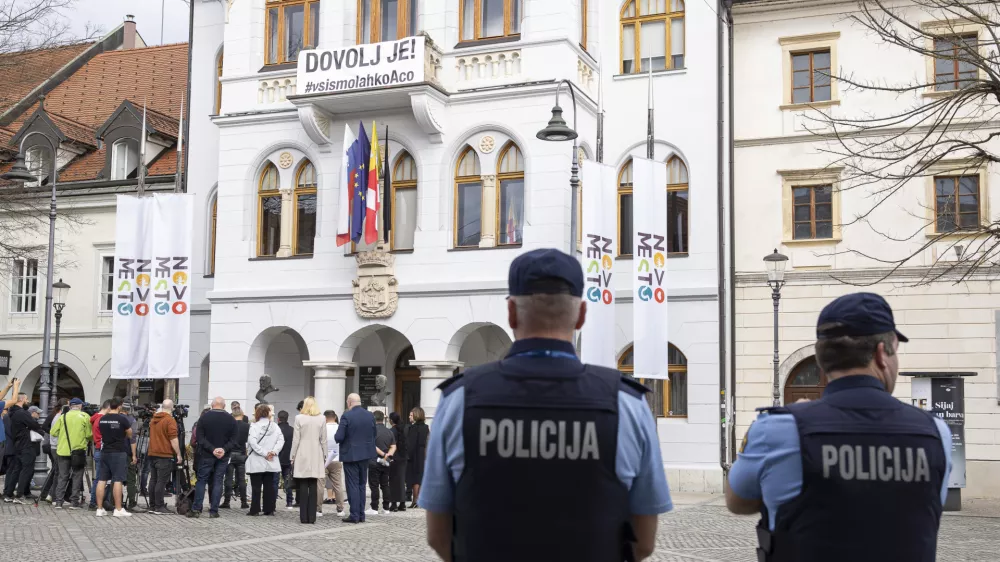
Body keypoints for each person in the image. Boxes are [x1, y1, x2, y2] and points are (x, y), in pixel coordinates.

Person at [420, 248, 673, 562]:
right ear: (581, 315)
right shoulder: (627, 404)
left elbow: (438, 535)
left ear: (511, 313)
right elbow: (644, 542)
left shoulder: (459, 399)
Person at [726, 292, 953, 562]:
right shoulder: (935, 433)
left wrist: (782, 422)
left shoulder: (781, 428)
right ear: (882, 354)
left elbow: (737, 501)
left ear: (823, 359)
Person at [189, 397, 238, 518]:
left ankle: (196, 509)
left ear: (212, 405)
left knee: (201, 480)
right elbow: (235, 439)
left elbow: (200, 438)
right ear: (224, 405)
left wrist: (212, 449)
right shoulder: (231, 419)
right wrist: (223, 449)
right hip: (223, 455)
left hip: (206, 454)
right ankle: (214, 510)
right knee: (218, 481)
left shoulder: (204, 418)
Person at [335, 393, 377, 524]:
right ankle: (361, 514)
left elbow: (339, 437)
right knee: (361, 485)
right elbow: (374, 434)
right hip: (365, 454)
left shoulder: (347, 415)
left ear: (349, 402)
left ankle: (354, 515)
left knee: (352, 484)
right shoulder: (370, 415)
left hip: (351, 455)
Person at [95, 398, 136, 517]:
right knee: (118, 479)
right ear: (119, 406)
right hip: (118, 452)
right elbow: (130, 434)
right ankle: (118, 509)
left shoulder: (102, 419)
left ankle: (99, 508)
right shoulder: (122, 419)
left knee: (101, 480)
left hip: (104, 451)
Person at [49, 398, 93, 509]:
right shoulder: (85, 417)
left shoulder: (62, 417)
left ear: (70, 406)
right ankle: (74, 502)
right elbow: (89, 435)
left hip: (63, 450)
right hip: (78, 451)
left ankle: (59, 501)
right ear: (80, 406)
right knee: (77, 476)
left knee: (62, 476)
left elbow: (53, 432)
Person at [2, 394, 45, 503]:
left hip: (17, 444)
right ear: (21, 400)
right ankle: (19, 495)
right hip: (26, 444)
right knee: (26, 469)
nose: (28, 401)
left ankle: (9, 493)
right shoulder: (22, 413)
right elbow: (34, 425)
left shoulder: (11, 413)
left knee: (17, 469)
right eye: (26, 399)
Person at [291, 396, 328, 524]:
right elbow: (324, 439)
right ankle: (312, 516)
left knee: (303, 484)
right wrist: (325, 455)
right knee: (313, 484)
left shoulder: (299, 418)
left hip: (302, 452)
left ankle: (303, 517)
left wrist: (292, 456)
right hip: (316, 452)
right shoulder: (322, 418)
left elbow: (296, 439)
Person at [246, 404, 284, 516]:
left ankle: (255, 509)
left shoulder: (254, 426)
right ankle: (269, 509)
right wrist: (273, 452)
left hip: (257, 460)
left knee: (256, 486)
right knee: (269, 486)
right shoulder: (275, 426)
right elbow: (281, 440)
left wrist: (263, 453)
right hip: (271, 460)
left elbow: (252, 442)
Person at [147, 400, 182, 515]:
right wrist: (178, 454)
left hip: (152, 453)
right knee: (161, 481)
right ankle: (159, 506)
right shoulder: (169, 420)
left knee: (153, 480)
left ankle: (152, 505)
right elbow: (173, 439)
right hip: (164, 454)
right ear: (172, 408)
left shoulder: (153, 420)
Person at [40, 398, 69, 504]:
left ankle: (47, 493)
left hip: (52, 445)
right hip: (54, 445)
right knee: (58, 472)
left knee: (55, 471)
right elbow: (45, 427)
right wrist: (53, 434)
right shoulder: (57, 416)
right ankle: (52, 494)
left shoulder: (54, 415)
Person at [222, 404, 250, 509]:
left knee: (228, 479)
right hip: (242, 454)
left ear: (232, 415)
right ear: (242, 415)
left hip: (230, 454)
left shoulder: (228, 425)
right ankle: (243, 502)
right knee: (241, 479)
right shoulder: (247, 426)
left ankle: (227, 502)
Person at [368, 410, 396, 515]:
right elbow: (394, 446)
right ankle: (386, 508)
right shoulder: (389, 431)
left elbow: (372, 446)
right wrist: (388, 455)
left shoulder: (371, 431)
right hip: (386, 463)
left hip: (374, 461)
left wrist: (383, 455)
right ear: (383, 419)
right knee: (385, 485)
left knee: (374, 485)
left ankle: (374, 508)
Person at [88, 400, 111, 510]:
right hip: (102, 449)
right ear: (108, 408)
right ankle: (94, 502)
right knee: (100, 479)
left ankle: (95, 501)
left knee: (98, 478)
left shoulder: (95, 418)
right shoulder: (102, 419)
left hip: (98, 448)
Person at [323, 410, 346, 516]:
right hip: (337, 459)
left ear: (325, 418)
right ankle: (340, 508)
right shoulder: (340, 428)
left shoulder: (323, 428)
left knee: (320, 484)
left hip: (324, 459)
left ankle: (318, 509)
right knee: (338, 485)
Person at [406, 407, 429, 509]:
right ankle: (418, 499)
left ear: (416, 415)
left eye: (411, 415)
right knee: (419, 477)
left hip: (414, 454)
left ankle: (415, 500)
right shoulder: (426, 427)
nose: (409, 417)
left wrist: (408, 455)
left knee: (414, 478)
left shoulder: (413, 428)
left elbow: (411, 444)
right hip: (422, 454)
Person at [387, 412, 408, 512]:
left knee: (393, 481)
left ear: (391, 420)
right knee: (401, 481)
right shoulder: (404, 429)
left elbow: (389, 445)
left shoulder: (391, 431)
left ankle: (394, 504)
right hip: (403, 457)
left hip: (394, 457)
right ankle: (402, 503)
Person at [276, 410, 295, 509]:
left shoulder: (276, 429)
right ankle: (289, 502)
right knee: (288, 481)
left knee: (274, 481)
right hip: (288, 459)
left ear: (278, 419)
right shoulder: (292, 430)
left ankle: (272, 502)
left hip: (276, 458)